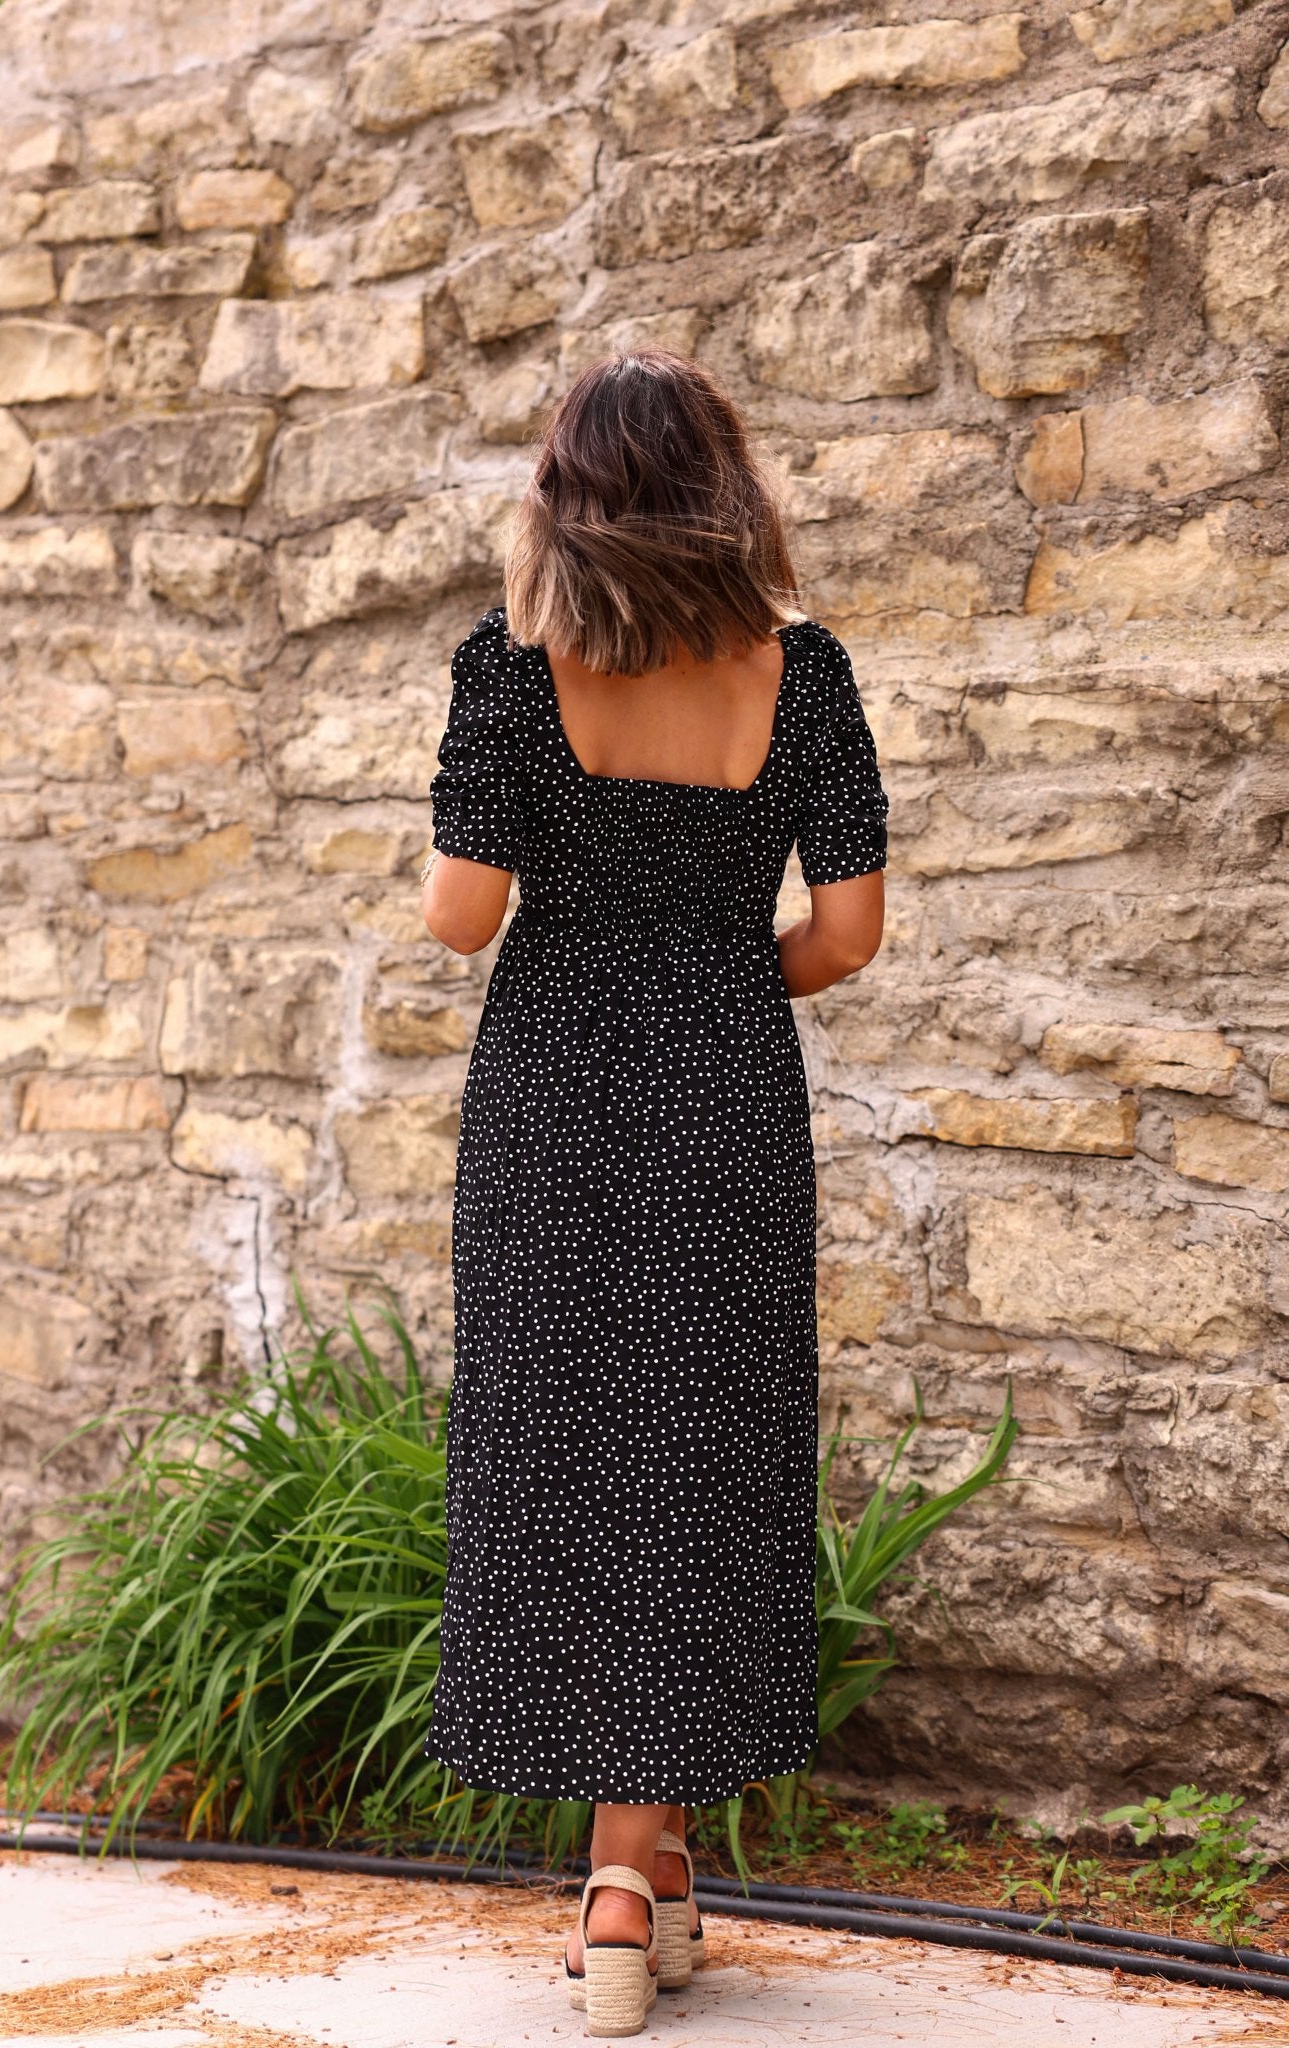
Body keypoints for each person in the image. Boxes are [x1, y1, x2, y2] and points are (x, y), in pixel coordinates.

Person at [420, 347, 888, 2037]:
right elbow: (842, 932)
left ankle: (617, 1877)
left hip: (549, 1089)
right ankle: (658, 1858)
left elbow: (462, 916)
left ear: (566, 492)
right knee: (701, 1445)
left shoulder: (508, 665)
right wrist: (714, 967)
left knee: (566, 1447)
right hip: (723, 1089)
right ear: (723, 487)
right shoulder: (802, 672)